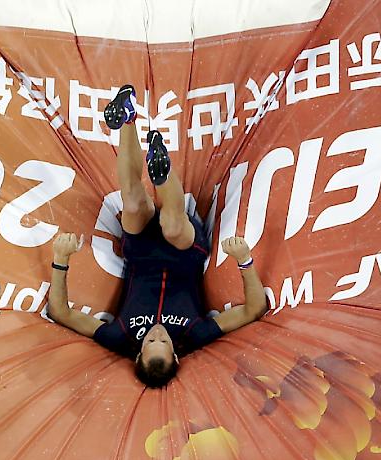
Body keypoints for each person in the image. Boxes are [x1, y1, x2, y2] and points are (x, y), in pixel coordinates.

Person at [47, 84, 267, 388]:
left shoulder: (121, 336)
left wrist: (60, 261)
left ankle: (127, 119)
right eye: (163, 341)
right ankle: (161, 170)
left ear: (138, 355)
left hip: (140, 253)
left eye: (151, 341)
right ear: (176, 356)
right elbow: (254, 309)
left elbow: (60, 312)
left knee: (134, 203)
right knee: (173, 224)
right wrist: (244, 261)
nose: (158, 332)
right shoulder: (194, 335)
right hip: (185, 254)